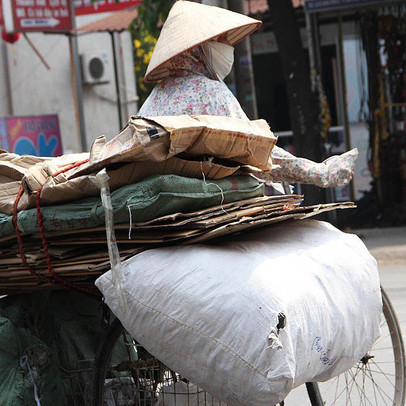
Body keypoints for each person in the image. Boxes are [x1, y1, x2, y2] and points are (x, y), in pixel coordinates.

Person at [138, 0, 356, 189]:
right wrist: (318, 173)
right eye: (221, 40)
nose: (227, 46)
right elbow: (256, 152)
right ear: (201, 49)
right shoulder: (208, 92)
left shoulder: (152, 99)